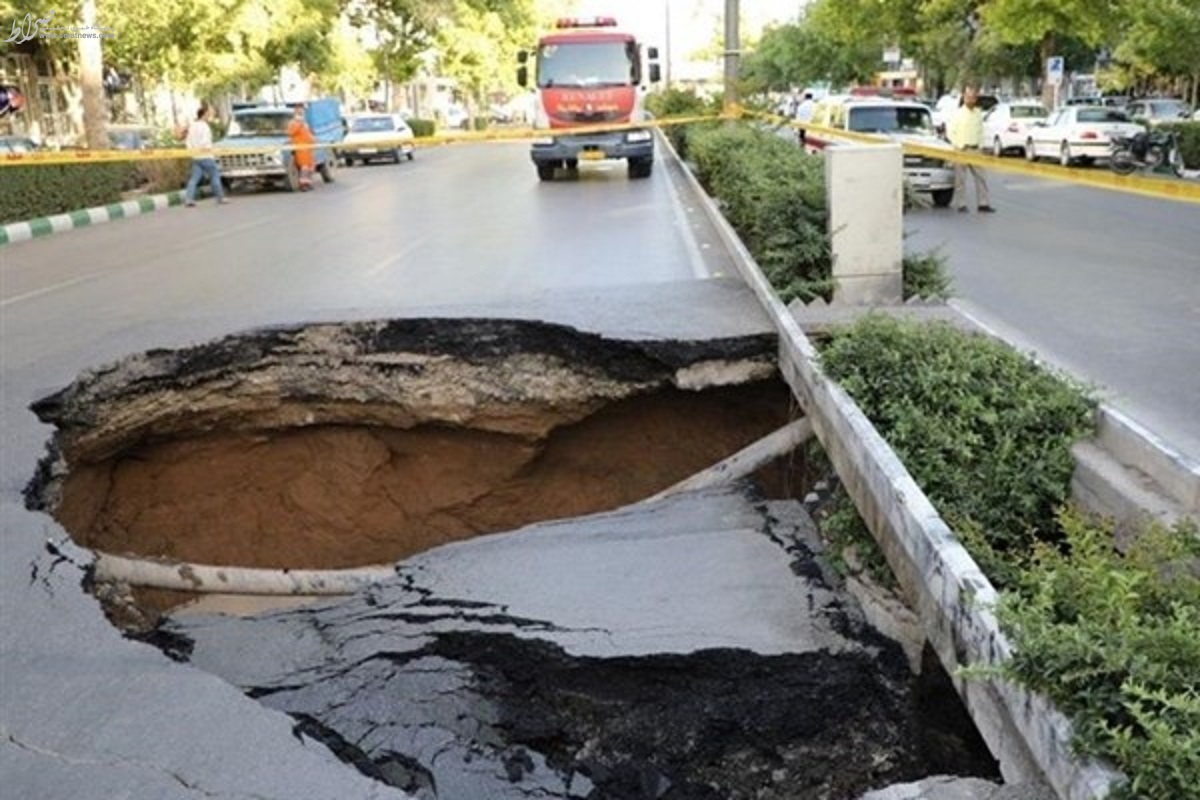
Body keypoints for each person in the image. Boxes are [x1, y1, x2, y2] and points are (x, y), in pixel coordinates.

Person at [947, 87, 994, 213]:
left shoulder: (978, 113)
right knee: (960, 179)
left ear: (976, 99)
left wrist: (981, 146)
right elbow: (951, 131)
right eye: (967, 97)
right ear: (963, 97)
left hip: (975, 150)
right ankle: (961, 204)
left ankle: (983, 204)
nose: (970, 99)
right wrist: (957, 145)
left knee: (981, 177)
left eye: (973, 97)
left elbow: (981, 131)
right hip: (961, 149)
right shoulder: (958, 113)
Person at [183, 105, 227, 207]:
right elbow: (205, 142)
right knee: (215, 175)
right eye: (209, 113)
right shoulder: (205, 127)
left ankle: (189, 199)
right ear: (204, 114)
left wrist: (193, 152)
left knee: (194, 178)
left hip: (195, 156)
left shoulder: (192, 126)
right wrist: (205, 150)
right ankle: (220, 197)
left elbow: (188, 142)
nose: (210, 115)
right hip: (206, 155)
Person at [287, 103, 315, 191]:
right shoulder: (293, 123)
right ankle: (303, 185)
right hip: (301, 149)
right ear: (295, 114)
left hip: (308, 148)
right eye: (299, 113)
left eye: (302, 113)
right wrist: (299, 125)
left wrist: (313, 139)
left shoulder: (304, 123)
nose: (301, 115)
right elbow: (291, 133)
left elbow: (308, 133)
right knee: (304, 168)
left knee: (310, 167)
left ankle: (308, 183)